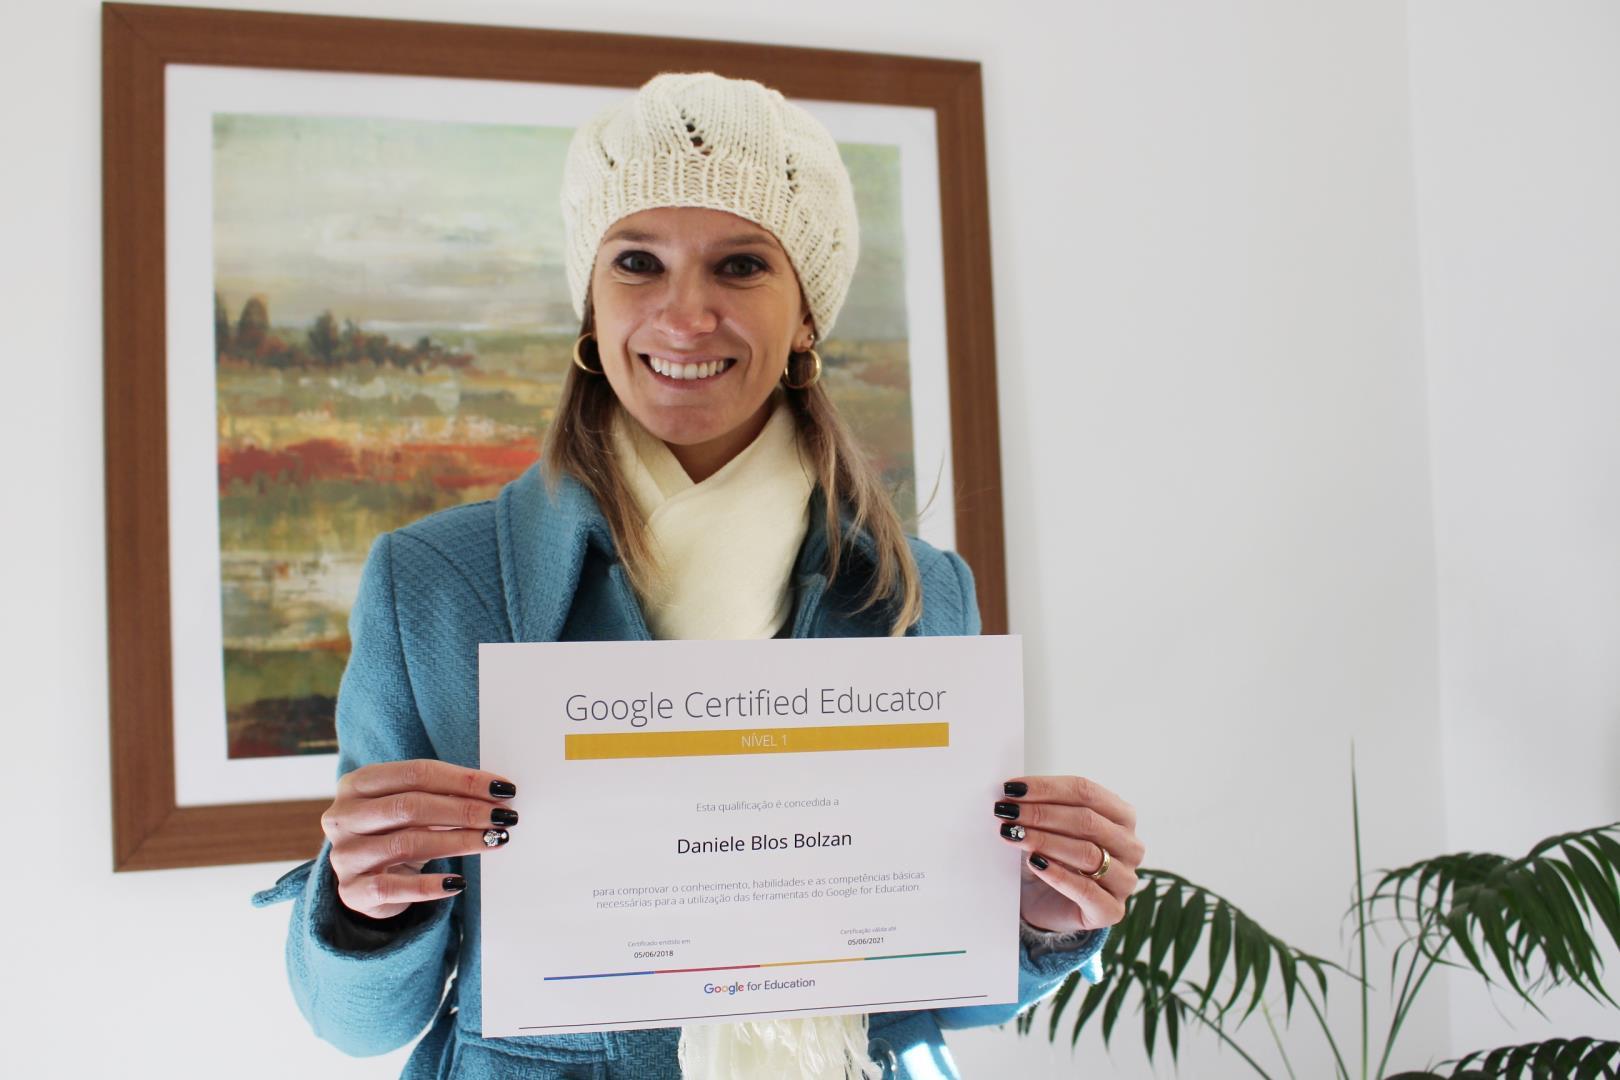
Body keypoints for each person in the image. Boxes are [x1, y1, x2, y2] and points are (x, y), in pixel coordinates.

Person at [253, 71, 1145, 1080]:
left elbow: (927, 994)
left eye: (740, 266)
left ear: (806, 316)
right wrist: (364, 906)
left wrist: (1036, 922)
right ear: (590, 306)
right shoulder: (432, 585)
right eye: (638, 262)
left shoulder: (926, 593)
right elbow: (357, 1026)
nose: (685, 316)